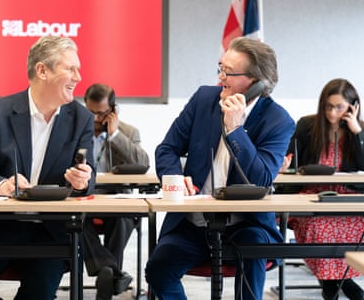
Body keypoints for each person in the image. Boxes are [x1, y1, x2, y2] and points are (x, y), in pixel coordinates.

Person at [145, 37, 295, 300]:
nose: (221, 77)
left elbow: (260, 179)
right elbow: (166, 149)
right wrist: (176, 178)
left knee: (252, 253)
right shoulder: (204, 99)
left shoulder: (278, 121)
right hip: (192, 224)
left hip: (246, 226)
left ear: (256, 81)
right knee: (158, 270)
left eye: (229, 72)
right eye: (220, 68)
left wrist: (236, 129)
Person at [0, 36, 95, 300]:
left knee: (38, 295)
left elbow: (89, 176)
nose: (79, 77)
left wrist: (82, 181)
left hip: (48, 230)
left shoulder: (82, 118)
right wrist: (3, 185)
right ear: (42, 70)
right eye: (70, 69)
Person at [280, 78, 364, 300]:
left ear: (353, 106)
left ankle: (333, 288)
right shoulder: (308, 126)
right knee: (318, 225)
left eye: (339, 106)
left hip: (348, 199)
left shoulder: (360, 131)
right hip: (312, 196)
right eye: (328, 106)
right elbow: (291, 159)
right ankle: (345, 289)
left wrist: (358, 133)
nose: (332, 112)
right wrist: (285, 164)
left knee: (348, 226)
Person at [83, 83, 149, 300]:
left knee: (122, 218)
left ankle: (106, 273)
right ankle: (112, 272)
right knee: (74, 220)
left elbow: (143, 163)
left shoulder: (128, 132)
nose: (94, 119)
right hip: (83, 199)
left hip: (115, 199)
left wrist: (114, 135)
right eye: (89, 112)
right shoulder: (75, 130)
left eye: (100, 113)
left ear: (112, 110)